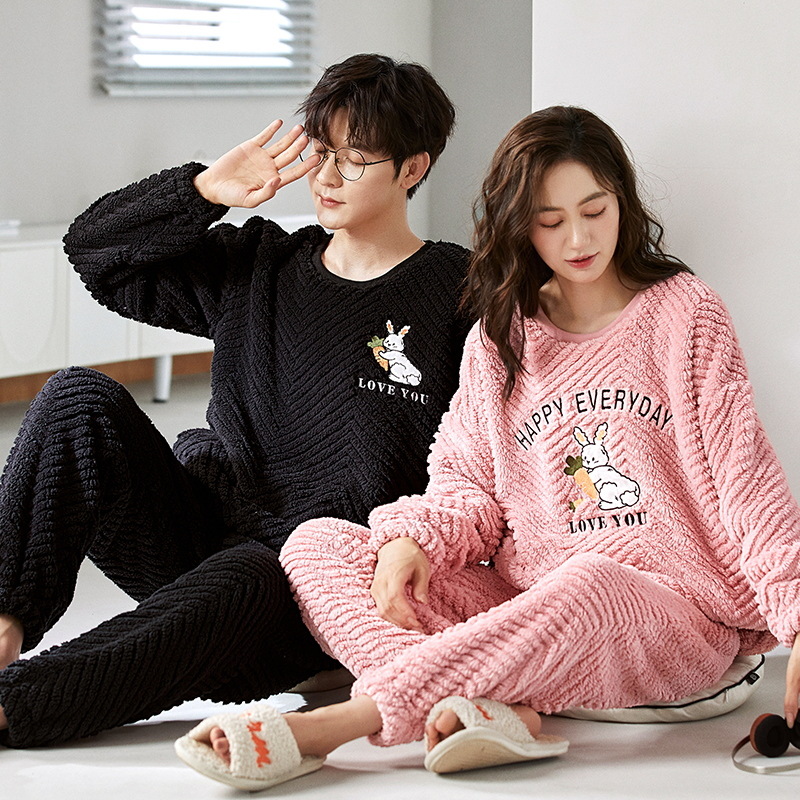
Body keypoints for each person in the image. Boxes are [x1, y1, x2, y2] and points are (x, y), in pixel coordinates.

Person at [176, 105, 800, 791]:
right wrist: (413, 541)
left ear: (622, 200)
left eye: (595, 211)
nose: (579, 238)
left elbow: (746, 481)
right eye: (550, 221)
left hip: (673, 615)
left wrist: (799, 619)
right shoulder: (504, 334)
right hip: (524, 598)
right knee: (317, 545)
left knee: (590, 582)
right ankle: (483, 709)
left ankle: (338, 725)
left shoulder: (684, 314)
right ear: (520, 225)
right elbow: (466, 484)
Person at [0, 53, 471, 748]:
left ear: (412, 169)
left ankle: (13, 705)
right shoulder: (261, 264)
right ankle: (4, 624)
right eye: (321, 152)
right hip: (202, 540)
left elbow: (485, 460)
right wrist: (202, 192)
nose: (326, 176)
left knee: (249, 573)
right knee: (77, 397)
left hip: (308, 589)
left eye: (354, 161)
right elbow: (95, 253)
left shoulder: (461, 294)